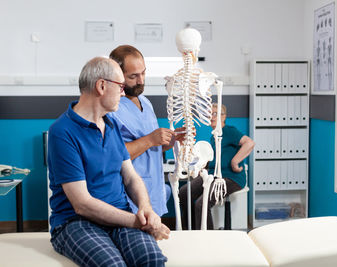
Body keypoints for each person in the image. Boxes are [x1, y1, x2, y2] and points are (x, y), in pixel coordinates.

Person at [48, 57, 169, 267]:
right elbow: (82, 205)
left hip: (119, 215)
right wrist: (140, 222)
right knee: (113, 265)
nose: (123, 93)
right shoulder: (62, 132)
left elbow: (130, 177)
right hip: (75, 223)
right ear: (101, 86)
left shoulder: (111, 125)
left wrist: (145, 208)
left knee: (152, 260)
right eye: (121, 86)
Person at [109, 45, 185, 217]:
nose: (141, 80)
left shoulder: (146, 103)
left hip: (154, 190)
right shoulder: (112, 108)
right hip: (129, 195)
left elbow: (152, 149)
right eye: (133, 76)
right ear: (117, 75)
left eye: (143, 73)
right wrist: (151, 139)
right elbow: (112, 155)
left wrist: (170, 141)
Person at [179, 103, 255, 230]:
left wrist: (234, 162)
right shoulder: (213, 137)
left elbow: (249, 143)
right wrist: (201, 167)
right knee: (184, 192)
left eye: (215, 113)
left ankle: (208, 237)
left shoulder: (229, 131)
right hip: (213, 175)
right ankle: (190, 230)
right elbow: (215, 158)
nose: (211, 117)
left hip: (231, 178)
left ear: (223, 117)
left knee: (201, 203)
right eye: (209, 114)